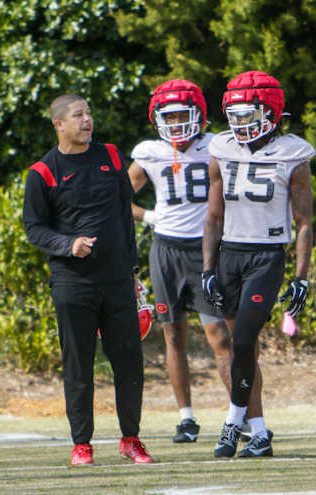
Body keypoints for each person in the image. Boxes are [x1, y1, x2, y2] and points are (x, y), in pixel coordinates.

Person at [22, 95, 154, 466]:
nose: (87, 120)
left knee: (129, 362)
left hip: (116, 280)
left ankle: (131, 439)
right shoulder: (42, 172)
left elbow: (124, 217)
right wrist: (68, 244)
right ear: (59, 124)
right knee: (78, 365)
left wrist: (131, 272)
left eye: (89, 113)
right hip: (72, 283)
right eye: (78, 115)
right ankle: (82, 444)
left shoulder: (111, 156)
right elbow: (34, 228)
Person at [203, 70, 314, 458]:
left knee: (246, 342)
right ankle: (261, 433)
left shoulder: (293, 153)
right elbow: (213, 217)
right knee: (240, 352)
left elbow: (304, 222)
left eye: (248, 115)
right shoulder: (221, 148)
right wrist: (207, 268)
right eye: (234, 114)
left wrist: (301, 277)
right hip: (230, 255)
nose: (239, 123)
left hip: (267, 256)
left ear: (271, 112)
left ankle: (233, 424)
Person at [127, 79, 234, 443]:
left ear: (198, 115)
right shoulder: (150, 152)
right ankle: (186, 417)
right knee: (173, 333)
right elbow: (117, 198)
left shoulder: (216, 145)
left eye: (181, 116)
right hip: (166, 249)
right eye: (168, 117)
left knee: (219, 333)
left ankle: (241, 415)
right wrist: (149, 216)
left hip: (206, 249)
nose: (175, 124)